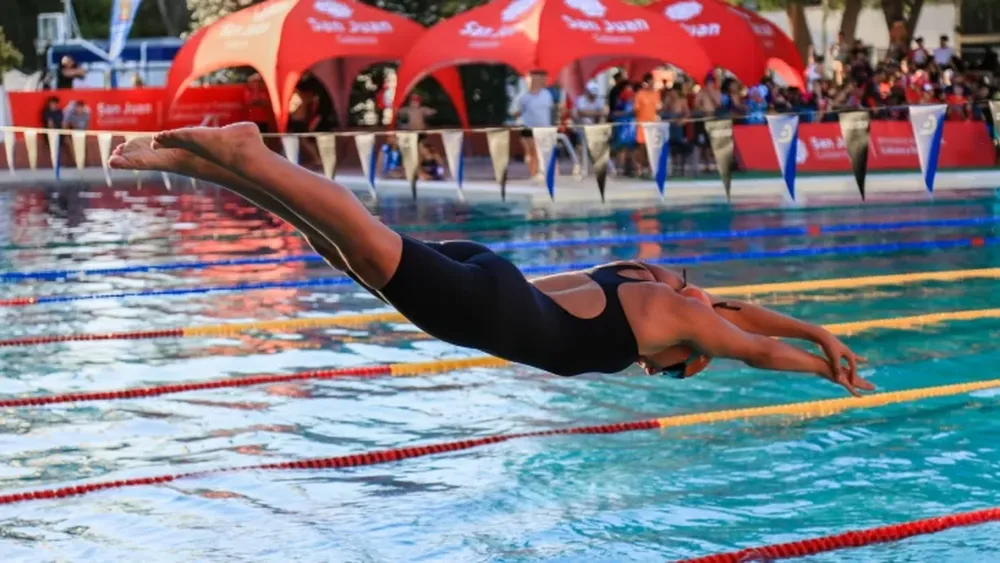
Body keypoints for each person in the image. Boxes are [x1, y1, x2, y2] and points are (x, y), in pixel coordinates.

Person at [106, 123, 874, 396]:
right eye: (677, 367)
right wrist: (825, 365)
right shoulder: (683, 321)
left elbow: (743, 314)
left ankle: (213, 164)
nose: (663, 368)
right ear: (690, 350)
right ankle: (248, 151)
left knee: (347, 253)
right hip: (492, 310)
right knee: (364, 242)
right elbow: (753, 345)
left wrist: (818, 330)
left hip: (495, 276)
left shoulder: (657, 282)